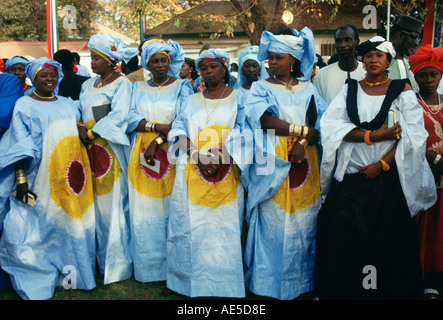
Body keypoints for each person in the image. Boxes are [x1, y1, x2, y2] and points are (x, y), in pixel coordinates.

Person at [315, 36, 437, 300]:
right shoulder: (350, 89)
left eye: (379, 56)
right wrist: (373, 137)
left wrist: (381, 164)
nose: (373, 60)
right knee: (342, 230)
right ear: (362, 60)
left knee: (386, 238)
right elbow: (331, 127)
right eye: (368, 55)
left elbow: (413, 135)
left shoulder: (401, 89)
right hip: (353, 175)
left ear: (389, 61)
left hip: (388, 178)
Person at [0, 58, 96, 300]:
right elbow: (19, 146)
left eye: (53, 75)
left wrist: (82, 125)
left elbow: (78, 123)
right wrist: (21, 180)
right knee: (43, 224)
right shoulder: (24, 105)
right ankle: (43, 272)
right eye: (44, 76)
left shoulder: (67, 103)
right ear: (34, 78)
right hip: (40, 176)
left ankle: (73, 276)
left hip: (73, 177)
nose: (50, 79)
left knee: (71, 223)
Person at [243, 27, 328, 300]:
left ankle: (302, 285)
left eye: (278, 58)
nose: (271, 63)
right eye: (270, 57)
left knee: (305, 222)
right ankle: (267, 285)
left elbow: (318, 123)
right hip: (272, 161)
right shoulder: (260, 87)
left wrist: (303, 143)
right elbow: (265, 121)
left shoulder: (309, 88)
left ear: (292, 60)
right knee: (273, 221)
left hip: (306, 163)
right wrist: (301, 133)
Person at [166, 48, 247, 298]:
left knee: (224, 227)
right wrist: (198, 156)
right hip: (192, 170)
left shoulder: (240, 98)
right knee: (192, 226)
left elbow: (246, 132)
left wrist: (220, 157)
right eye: (203, 67)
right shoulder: (190, 101)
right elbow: (178, 130)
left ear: (225, 69)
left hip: (228, 173)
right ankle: (190, 282)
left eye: (213, 66)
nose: (208, 71)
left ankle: (225, 285)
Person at [126, 39, 193, 284]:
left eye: (164, 60)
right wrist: (155, 127)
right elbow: (131, 117)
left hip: (172, 150)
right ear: (147, 64)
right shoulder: (138, 88)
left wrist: (157, 139)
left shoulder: (182, 86)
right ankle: (148, 268)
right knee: (143, 208)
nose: (160, 65)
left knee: (171, 206)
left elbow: (183, 118)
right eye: (154, 61)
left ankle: (173, 268)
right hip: (141, 152)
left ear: (170, 61)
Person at [78, 33, 138, 285]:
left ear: (109, 61)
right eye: (91, 58)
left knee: (113, 204)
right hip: (88, 151)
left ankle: (118, 264)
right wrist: (81, 125)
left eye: (96, 59)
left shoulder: (122, 83)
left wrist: (93, 131)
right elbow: (80, 108)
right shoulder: (87, 85)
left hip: (110, 150)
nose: (92, 63)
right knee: (94, 205)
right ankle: (98, 260)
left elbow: (121, 115)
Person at [409, 45, 443, 299]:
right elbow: (408, 140)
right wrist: (436, 158)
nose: (429, 80)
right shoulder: (410, 105)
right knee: (424, 229)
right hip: (422, 176)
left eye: (434, 74)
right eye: (423, 75)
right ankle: (424, 277)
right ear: (415, 77)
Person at [314, 24, 366, 104]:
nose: (342, 45)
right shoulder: (322, 75)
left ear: (357, 42)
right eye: (338, 41)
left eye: (347, 40)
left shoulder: (366, 72)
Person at [389, 15, 423, 92]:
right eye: (414, 38)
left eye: (418, 39)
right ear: (400, 35)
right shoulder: (380, 62)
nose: (416, 43)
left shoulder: (410, 65)